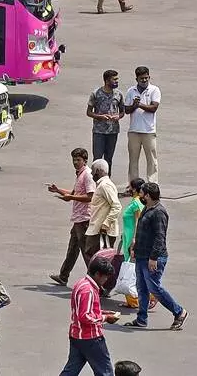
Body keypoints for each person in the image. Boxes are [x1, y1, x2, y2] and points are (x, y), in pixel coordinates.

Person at [124, 183, 187, 330]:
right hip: (141, 255)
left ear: (148, 196)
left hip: (153, 258)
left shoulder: (159, 212)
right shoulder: (147, 208)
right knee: (142, 287)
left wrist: (153, 258)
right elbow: (142, 230)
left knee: (154, 288)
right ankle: (141, 319)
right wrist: (135, 247)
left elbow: (160, 237)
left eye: (142, 194)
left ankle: (179, 312)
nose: (140, 196)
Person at [59, 257, 120, 376]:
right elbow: (85, 316)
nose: (106, 280)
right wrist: (105, 318)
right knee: (105, 372)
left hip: (77, 336)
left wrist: (103, 312)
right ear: (97, 274)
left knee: (71, 370)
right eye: (105, 277)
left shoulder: (81, 284)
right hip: (90, 337)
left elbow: (85, 309)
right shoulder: (89, 290)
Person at [48, 148, 95, 287]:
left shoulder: (87, 175)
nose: (75, 162)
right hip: (77, 219)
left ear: (85, 161)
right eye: (74, 160)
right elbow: (74, 193)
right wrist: (58, 190)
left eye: (78, 160)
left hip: (84, 219)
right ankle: (63, 276)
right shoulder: (79, 174)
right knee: (72, 249)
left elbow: (90, 196)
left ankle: (97, 282)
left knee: (86, 253)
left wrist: (71, 197)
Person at [123, 66, 161, 184]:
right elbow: (127, 110)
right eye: (141, 78)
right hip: (134, 130)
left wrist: (139, 105)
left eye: (146, 78)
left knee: (151, 160)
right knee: (133, 160)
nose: (144, 80)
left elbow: (154, 108)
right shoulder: (131, 91)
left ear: (149, 77)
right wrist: (134, 105)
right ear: (136, 79)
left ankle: (152, 183)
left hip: (148, 131)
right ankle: (133, 185)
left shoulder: (154, 90)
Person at [119, 178, 152, 310]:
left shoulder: (137, 202)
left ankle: (134, 299)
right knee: (131, 267)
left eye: (130, 187)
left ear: (135, 189)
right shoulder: (136, 201)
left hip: (132, 239)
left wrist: (134, 240)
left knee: (130, 268)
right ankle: (133, 299)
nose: (128, 188)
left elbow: (139, 222)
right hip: (128, 237)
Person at [87, 70, 125, 169]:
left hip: (113, 131)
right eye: (114, 79)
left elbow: (122, 112)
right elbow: (89, 112)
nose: (117, 81)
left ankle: (107, 181)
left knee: (109, 159)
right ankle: (94, 182)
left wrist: (118, 116)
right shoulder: (96, 94)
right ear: (107, 81)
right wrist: (100, 117)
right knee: (97, 159)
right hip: (99, 131)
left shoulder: (119, 94)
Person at [86, 159, 122, 255]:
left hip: (102, 231)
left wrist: (106, 224)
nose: (92, 174)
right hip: (97, 229)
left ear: (97, 171)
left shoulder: (105, 185)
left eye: (93, 171)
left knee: (98, 259)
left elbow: (117, 206)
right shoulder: (103, 185)